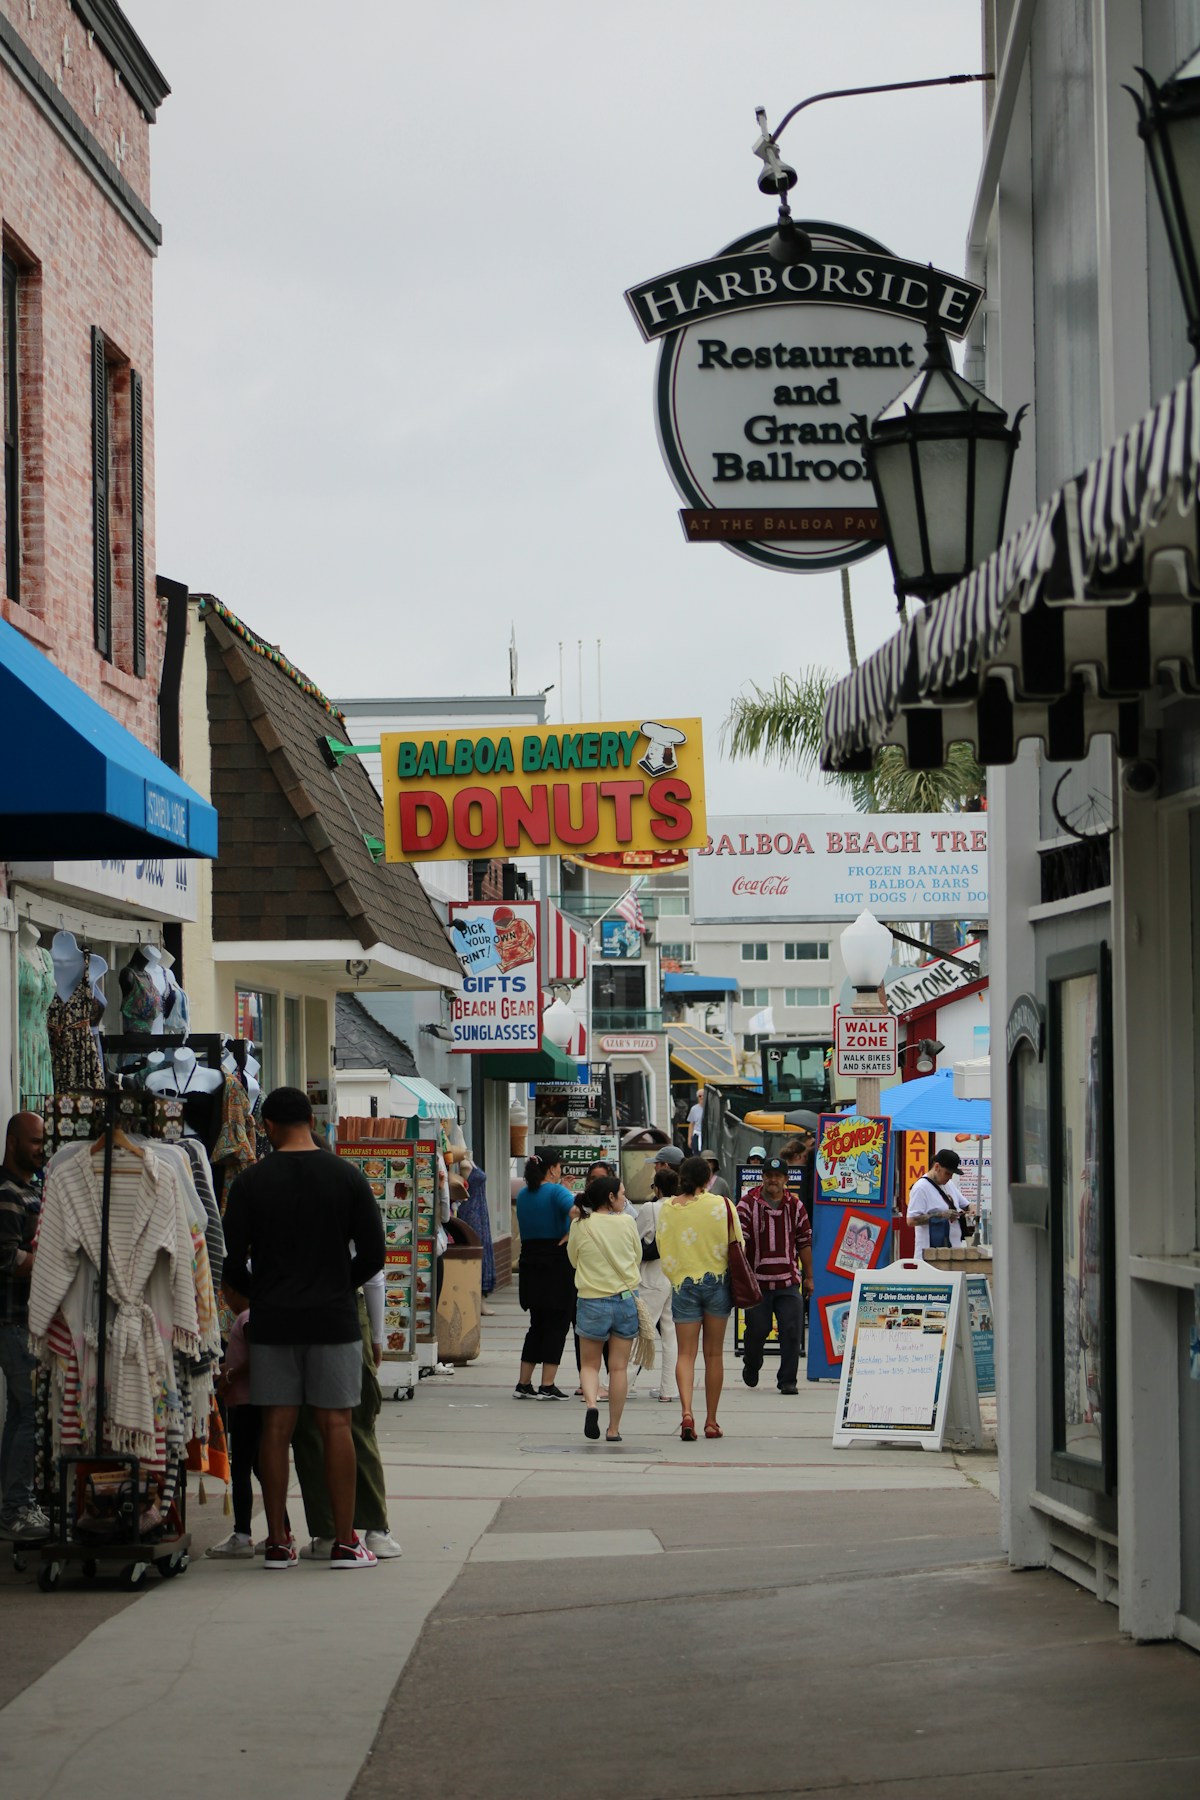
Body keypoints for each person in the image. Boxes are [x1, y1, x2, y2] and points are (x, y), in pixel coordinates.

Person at [222, 1086, 386, 1570]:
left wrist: (265, 1294)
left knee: (276, 1427)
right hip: (333, 1320)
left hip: (273, 1322)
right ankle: (344, 1540)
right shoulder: (347, 1177)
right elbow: (374, 1256)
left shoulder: (251, 1183)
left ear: (268, 1127)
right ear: (310, 1122)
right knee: (337, 1424)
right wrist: (337, 1287)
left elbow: (231, 1263)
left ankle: (276, 1540)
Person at [290, 1267, 403, 1560]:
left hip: (291, 1306)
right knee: (355, 1419)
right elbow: (374, 1273)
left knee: (309, 1425)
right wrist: (377, 1336)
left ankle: (327, 1530)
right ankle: (374, 1527)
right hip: (343, 1306)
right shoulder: (350, 1220)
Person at [656, 1154, 743, 1442]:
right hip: (717, 1282)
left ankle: (686, 1413)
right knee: (714, 1354)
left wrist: (677, 1273)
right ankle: (711, 1421)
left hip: (683, 1284)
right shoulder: (723, 1205)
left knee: (685, 1353)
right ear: (709, 1179)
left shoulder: (668, 1208)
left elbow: (662, 1245)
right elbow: (738, 1243)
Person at [0, 1111, 48, 1542]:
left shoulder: (30, 1190)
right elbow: (7, 1260)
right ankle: (17, 1507)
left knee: (20, 1413)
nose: (41, 1148)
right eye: (34, 1141)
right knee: (30, 1413)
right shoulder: (7, 1194)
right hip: (13, 1322)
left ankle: (15, 1504)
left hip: (27, 1322)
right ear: (12, 1141)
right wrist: (56, 1261)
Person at [567, 1175, 642, 1444]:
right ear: (610, 1197)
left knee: (589, 1364)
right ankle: (613, 1429)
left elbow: (573, 1260)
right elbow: (637, 1257)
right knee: (618, 1368)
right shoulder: (628, 1222)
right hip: (624, 1301)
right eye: (622, 1193)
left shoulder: (580, 1225)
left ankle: (591, 1406)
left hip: (591, 1300)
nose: (625, 1198)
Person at [737, 1156, 814, 1395]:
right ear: (763, 1177)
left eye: (778, 1176)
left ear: (786, 1180)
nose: (773, 1180)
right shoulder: (747, 1204)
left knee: (792, 1331)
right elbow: (740, 1243)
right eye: (769, 1175)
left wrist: (809, 1276)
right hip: (757, 1283)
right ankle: (752, 1364)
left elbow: (804, 1242)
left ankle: (788, 1380)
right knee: (757, 1331)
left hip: (788, 1281)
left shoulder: (796, 1206)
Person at [513, 1153, 576, 1399]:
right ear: (552, 1169)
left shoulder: (524, 1194)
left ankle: (523, 1382)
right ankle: (547, 1384)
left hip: (530, 1261)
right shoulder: (556, 1192)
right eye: (559, 1167)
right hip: (556, 1262)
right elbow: (576, 1213)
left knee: (537, 1324)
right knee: (557, 1323)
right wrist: (571, 1235)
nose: (560, 1171)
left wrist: (565, 1190)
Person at [633, 1169, 678, 1405]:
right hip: (677, 1276)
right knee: (670, 1333)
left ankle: (623, 1382)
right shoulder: (684, 1208)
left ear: (657, 1188)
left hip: (653, 1276)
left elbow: (634, 1236)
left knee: (640, 1329)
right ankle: (668, 1388)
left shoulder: (651, 1208)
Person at [907, 1149, 972, 1254]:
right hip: (930, 1253)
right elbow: (911, 1220)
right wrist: (941, 1215)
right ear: (937, 1167)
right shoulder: (921, 1188)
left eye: (952, 1174)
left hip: (953, 1251)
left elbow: (966, 1205)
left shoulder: (949, 1184)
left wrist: (972, 1211)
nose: (950, 1177)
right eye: (947, 1173)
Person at [456, 1155, 496, 1312]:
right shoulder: (463, 1163)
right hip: (471, 1209)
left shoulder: (468, 1159)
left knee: (483, 1247)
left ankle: (481, 1299)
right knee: (477, 1248)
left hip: (480, 1208)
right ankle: (477, 1299)